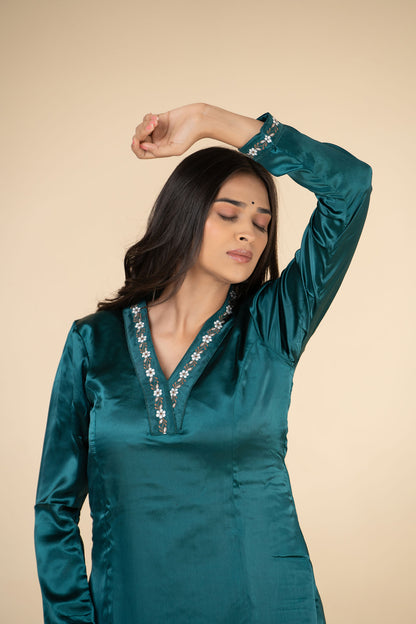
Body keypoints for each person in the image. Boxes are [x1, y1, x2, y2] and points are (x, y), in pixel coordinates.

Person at [34, 102, 372, 624]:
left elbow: (350, 186)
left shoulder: (272, 328)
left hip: (266, 606)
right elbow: (55, 508)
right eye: (228, 214)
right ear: (185, 213)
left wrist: (209, 122)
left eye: (261, 224)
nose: (248, 234)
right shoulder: (94, 342)